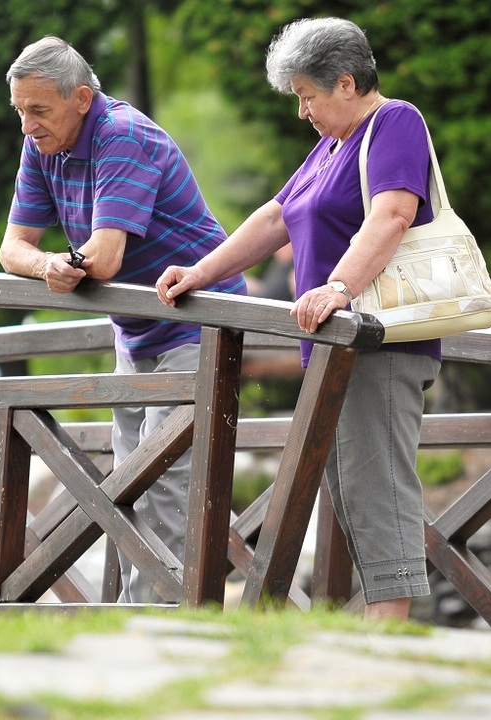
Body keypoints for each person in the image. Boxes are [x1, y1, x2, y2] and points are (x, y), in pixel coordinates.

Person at [156, 17, 441, 622]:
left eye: (307, 96)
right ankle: (372, 630)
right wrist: (200, 273)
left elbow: (392, 215)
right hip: (335, 346)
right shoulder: (331, 146)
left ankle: (388, 636)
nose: (303, 110)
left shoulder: (395, 123)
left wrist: (339, 285)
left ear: (345, 83)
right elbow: (274, 219)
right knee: (349, 490)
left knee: (378, 487)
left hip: (378, 341)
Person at [0, 36, 248, 603]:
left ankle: (173, 624)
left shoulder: (122, 135)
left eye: (38, 110)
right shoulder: (42, 146)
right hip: (134, 326)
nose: (27, 125)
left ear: (82, 98)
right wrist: (48, 264)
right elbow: (11, 248)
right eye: (20, 111)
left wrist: (63, 265)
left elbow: (104, 258)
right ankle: (144, 619)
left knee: (170, 484)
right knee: (128, 483)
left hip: (196, 319)